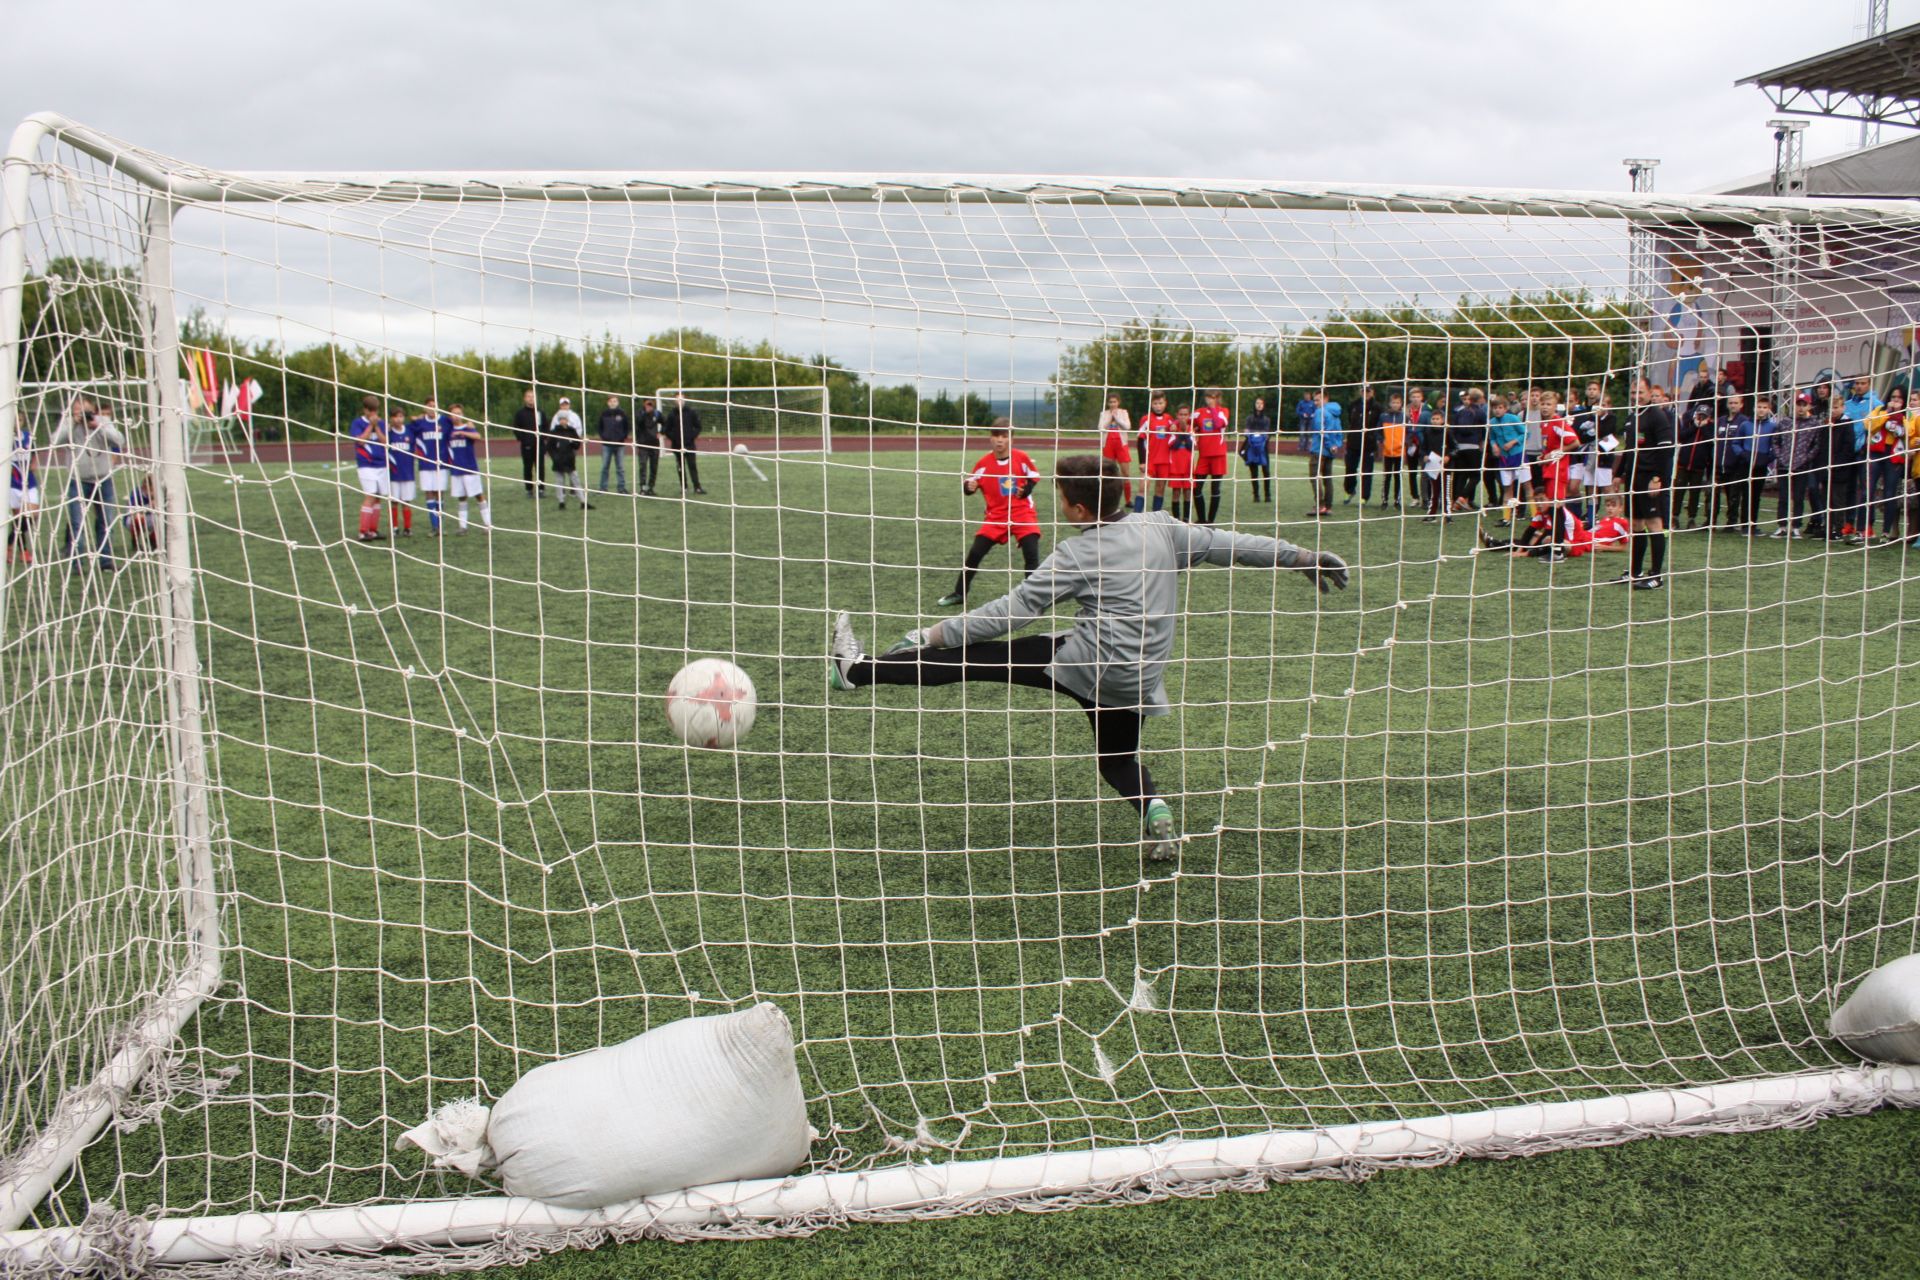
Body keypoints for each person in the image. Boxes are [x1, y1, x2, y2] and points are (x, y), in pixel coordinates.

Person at [828, 453, 1350, 861]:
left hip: (1085, 665)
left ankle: (857, 669)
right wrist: (1301, 557)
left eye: (1060, 496)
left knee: (975, 656)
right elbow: (1228, 543)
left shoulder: (1077, 552)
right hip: (1141, 677)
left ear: (1077, 509)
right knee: (1116, 760)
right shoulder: (1161, 528)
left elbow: (1012, 612)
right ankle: (1153, 809)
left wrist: (932, 633)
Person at [937, 420, 1041, 608]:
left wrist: (1026, 490)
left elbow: (1034, 477)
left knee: (1031, 553)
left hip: (1022, 513)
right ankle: (960, 593)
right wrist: (968, 487)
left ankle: (1034, 598)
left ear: (1011, 439)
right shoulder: (984, 464)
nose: (1000, 441)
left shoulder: (1021, 458)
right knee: (975, 553)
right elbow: (969, 485)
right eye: (996, 436)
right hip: (996, 517)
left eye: (1004, 436)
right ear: (990, 439)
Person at [1617, 378, 1674, 590]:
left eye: (1640, 392)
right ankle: (1636, 571)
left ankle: (1656, 576)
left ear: (1650, 393)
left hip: (1650, 479)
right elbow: (1629, 448)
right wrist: (1619, 474)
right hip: (1633, 479)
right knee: (1636, 525)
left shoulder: (1657, 416)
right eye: (1633, 393)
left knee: (1654, 525)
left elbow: (1666, 449)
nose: (1636, 396)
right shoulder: (1632, 417)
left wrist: (1657, 479)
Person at [1865, 386, 1905, 542]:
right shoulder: (1880, 410)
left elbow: (1909, 432)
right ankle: (1865, 528)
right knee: (1868, 490)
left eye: (1899, 398)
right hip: (1876, 452)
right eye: (1893, 397)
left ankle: (1886, 532)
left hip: (1895, 455)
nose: (1895, 400)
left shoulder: (1908, 414)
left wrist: (1899, 421)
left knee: (1890, 494)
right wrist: (1887, 414)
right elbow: (1869, 426)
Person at [346, 395, 388, 542]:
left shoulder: (381, 423)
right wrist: (370, 426)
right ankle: (363, 532)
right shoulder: (358, 423)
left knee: (378, 497)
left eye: (375, 411)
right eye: (371, 411)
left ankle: (373, 530)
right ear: (365, 410)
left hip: (381, 464)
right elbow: (360, 441)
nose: (374, 414)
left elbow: (385, 442)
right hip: (366, 464)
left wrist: (377, 426)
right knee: (370, 496)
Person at [445, 403, 492, 533]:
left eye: (459, 413)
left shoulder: (467, 427)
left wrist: (462, 432)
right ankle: (463, 526)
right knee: (461, 497)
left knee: (478, 495)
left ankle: (488, 524)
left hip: (470, 468)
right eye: (453, 414)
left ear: (462, 414)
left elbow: (478, 436)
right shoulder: (448, 429)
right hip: (456, 469)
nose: (456, 416)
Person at [1714, 394, 1756, 533]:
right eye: (1730, 402)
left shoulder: (1744, 421)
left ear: (1741, 405)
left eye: (1735, 403)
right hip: (1719, 464)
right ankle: (1711, 520)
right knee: (1712, 494)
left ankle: (1731, 522)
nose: (1732, 405)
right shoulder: (1720, 420)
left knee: (1733, 495)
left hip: (1735, 465)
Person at [1192, 387, 1232, 524]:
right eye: (1209, 396)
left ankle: (1210, 521)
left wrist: (1213, 408)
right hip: (1204, 455)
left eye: (1214, 397)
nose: (1211, 399)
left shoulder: (1223, 411)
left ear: (1218, 398)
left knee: (1215, 488)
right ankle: (1202, 519)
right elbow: (1187, 423)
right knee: (1196, 488)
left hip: (1218, 455)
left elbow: (1219, 423)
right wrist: (1193, 429)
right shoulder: (1198, 413)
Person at [410, 397, 450, 535]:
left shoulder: (445, 421)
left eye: (434, 405)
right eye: (429, 406)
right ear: (424, 408)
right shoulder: (419, 422)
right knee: (429, 493)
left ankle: (440, 526)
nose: (432, 408)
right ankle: (434, 526)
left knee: (439, 493)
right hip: (425, 464)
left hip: (441, 464)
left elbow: (456, 425)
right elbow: (407, 432)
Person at [1487, 394, 1526, 522]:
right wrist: (1494, 446)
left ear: (1505, 408)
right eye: (1495, 408)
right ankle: (1507, 518)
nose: (1497, 410)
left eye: (1500, 407)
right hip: (1504, 458)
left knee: (1526, 485)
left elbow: (1525, 433)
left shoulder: (1513, 418)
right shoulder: (1492, 422)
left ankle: (1535, 515)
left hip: (1518, 455)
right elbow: (1492, 437)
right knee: (1507, 487)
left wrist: (1513, 442)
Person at [1675, 403, 1715, 529]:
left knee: (1695, 493)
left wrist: (1703, 428)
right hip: (1683, 464)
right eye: (1699, 415)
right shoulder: (1688, 423)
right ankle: (1674, 517)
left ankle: (1691, 518)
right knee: (1679, 491)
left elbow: (1711, 442)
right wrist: (1695, 426)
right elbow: (1681, 436)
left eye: (1704, 416)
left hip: (1698, 466)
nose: (1701, 418)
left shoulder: (1710, 427)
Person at [1448, 388, 1488, 511]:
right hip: (1473, 446)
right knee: (1476, 475)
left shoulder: (1460, 412)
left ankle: (1455, 502)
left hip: (1460, 447)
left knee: (1461, 475)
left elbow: (1453, 429)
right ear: (1480, 399)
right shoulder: (1480, 412)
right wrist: (1483, 443)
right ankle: (1462, 497)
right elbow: (1485, 429)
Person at [548, 397, 591, 510]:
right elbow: (550, 447)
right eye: (561, 419)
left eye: (565, 419)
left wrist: (576, 442)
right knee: (559, 482)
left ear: (567, 420)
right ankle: (561, 502)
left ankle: (583, 502)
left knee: (576, 480)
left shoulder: (572, 431)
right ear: (558, 420)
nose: (563, 421)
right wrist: (555, 458)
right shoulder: (554, 432)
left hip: (569, 459)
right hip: (558, 461)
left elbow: (577, 444)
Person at [1135, 392, 1175, 512]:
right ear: (1151, 404)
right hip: (1149, 459)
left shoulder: (1169, 419)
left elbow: (1175, 433)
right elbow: (1140, 440)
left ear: (1165, 403)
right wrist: (1142, 461)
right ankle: (1136, 517)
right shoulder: (1146, 419)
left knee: (1160, 489)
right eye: (1155, 403)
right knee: (1143, 487)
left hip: (1164, 460)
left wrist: (1175, 428)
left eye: (1160, 403)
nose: (1158, 406)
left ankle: (1154, 517)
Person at [1303, 390, 1342, 515]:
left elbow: (1322, 431)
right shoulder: (1335, 413)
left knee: (1315, 477)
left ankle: (1320, 505)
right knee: (1327, 479)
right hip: (1330, 451)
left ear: (1326, 399)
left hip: (1319, 450)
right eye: (1314, 400)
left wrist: (1329, 446)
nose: (1315, 403)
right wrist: (1336, 445)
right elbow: (1339, 432)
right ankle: (1328, 506)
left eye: (1317, 400)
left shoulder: (1320, 412)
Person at [7, 415, 39, 565]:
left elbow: (35, 453)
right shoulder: (5, 438)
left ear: (23, 421)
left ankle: (8, 544)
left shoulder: (28, 436)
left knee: (32, 515)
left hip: (29, 482)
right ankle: (24, 551)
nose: (16, 423)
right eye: (14, 420)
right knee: (18, 519)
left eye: (19, 420)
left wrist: (34, 464)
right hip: (13, 484)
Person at [1097, 394, 1137, 511]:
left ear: (1118, 402)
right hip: (1108, 445)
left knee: (1126, 473)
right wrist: (1110, 419)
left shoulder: (1123, 412)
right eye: (1110, 402)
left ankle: (1128, 500)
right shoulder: (1104, 414)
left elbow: (1127, 427)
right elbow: (1100, 428)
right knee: (1108, 474)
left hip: (1121, 445)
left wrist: (1117, 419)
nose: (1112, 404)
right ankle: (1109, 501)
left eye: (1114, 402)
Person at [1343, 385, 1380, 505]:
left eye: (1368, 391)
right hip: (1353, 442)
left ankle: (1364, 496)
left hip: (1368, 443)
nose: (1366, 393)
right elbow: (1350, 420)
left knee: (1367, 471)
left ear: (1373, 392)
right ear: (1360, 391)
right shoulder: (1353, 405)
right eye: (1364, 391)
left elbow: (1378, 424)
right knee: (1350, 468)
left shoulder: (1377, 407)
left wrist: (1375, 438)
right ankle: (1349, 490)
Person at [661, 394, 705, 495]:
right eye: (677, 400)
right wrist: (675, 439)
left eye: (681, 399)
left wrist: (691, 437)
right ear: (674, 401)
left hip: (690, 445)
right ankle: (684, 487)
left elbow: (698, 427)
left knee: (692, 466)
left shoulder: (691, 412)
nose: (680, 401)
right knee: (680, 467)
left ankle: (697, 487)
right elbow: (667, 430)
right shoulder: (672, 414)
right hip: (677, 446)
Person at [386, 406, 417, 536]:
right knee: (394, 501)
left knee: (406, 501)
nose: (398, 419)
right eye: (395, 416)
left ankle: (407, 528)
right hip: (393, 473)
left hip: (408, 473)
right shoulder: (388, 433)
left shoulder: (409, 431)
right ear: (391, 419)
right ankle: (395, 527)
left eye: (400, 416)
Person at [1166, 404, 1198, 522]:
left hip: (1188, 467)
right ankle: (1176, 519)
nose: (1183, 417)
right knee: (1176, 493)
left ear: (1189, 416)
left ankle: (1186, 518)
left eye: (1185, 415)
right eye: (1181, 415)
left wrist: (1186, 432)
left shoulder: (1192, 430)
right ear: (1177, 416)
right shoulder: (1173, 430)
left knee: (1188, 492)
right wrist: (1182, 432)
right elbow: (1173, 447)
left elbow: (1191, 446)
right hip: (1175, 467)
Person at [510, 388, 544, 496]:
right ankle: (529, 489)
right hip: (527, 446)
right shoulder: (520, 413)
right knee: (528, 467)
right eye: (529, 396)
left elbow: (545, 427)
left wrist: (543, 439)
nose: (531, 399)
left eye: (533, 396)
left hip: (539, 445)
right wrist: (524, 440)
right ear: (525, 399)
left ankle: (541, 489)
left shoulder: (540, 412)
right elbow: (516, 428)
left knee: (540, 467)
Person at [1377, 392, 1406, 509]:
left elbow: (1410, 432)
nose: (1395, 405)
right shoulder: (1384, 416)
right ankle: (1384, 500)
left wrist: (1404, 442)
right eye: (1393, 402)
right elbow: (1378, 431)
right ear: (1390, 403)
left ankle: (1397, 501)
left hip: (1399, 452)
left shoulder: (1404, 417)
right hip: (1387, 452)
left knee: (1398, 476)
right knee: (1386, 477)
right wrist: (1382, 440)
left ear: (1401, 404)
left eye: (1398, 402)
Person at [1240, 399, 1272, 504]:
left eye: (1261, 403)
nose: (1259, 405)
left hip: (1263, 448)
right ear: (1254, 405)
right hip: (1251, 448)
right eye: (1257, 403)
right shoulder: (1249, 418)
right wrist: (1254, 434)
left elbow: (1266, 434)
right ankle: (1256, 496)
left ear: (1264, 405)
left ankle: (1267, 495)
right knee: (1254, 473)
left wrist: (1256, 434)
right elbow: (1246, 432)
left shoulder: (1266, 419)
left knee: (1266, 472)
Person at [597, 395, 632, 494]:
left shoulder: (622, 413)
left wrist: (622, 437)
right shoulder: (604, 414)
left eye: (615, 401)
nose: (613, 403)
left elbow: (627, 427)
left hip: (619, 444)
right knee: (604, 467)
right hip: (607, 444)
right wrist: (604, 437)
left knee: (620, 467)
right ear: (608, 403)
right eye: (611, 401)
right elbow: (600, 427)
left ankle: (621, 488)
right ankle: (603, 488)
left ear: (618, 402)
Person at [1421, 408, 1448, 522]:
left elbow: (1454, 448)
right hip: (1432, 466)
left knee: (1446, 492)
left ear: (1442, 420)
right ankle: (1432, 514)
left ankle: (1448, 515)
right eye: (1433, 419)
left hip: (1446, 466)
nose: (1435, 421)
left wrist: (1448, 457)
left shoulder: (1447, 432)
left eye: (1437, 419)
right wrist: (1425, 456)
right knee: (1434, 491)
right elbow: (1422, 449)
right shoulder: (1427, 433)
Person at [634, 396, 665, 496]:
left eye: (651, 403)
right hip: (643, 444)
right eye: (647, 403)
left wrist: (661, 432)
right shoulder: (640, 413)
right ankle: (643, 488)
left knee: (654, 467)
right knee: (643, 466)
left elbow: (666, 422)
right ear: (644, 404)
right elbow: (638, 422)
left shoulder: (657, 413)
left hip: (654, 444)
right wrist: (646, 413)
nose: (649, 406)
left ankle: (651, 488)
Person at [122, 471, 158, 553]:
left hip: (151, 518)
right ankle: (135, 543)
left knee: (165, 519)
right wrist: (148, 507)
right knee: (138, 518)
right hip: (131, 520)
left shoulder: (159, 494)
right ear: (145, 486)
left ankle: (152, 540)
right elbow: (131, 511)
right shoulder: (137, 493)